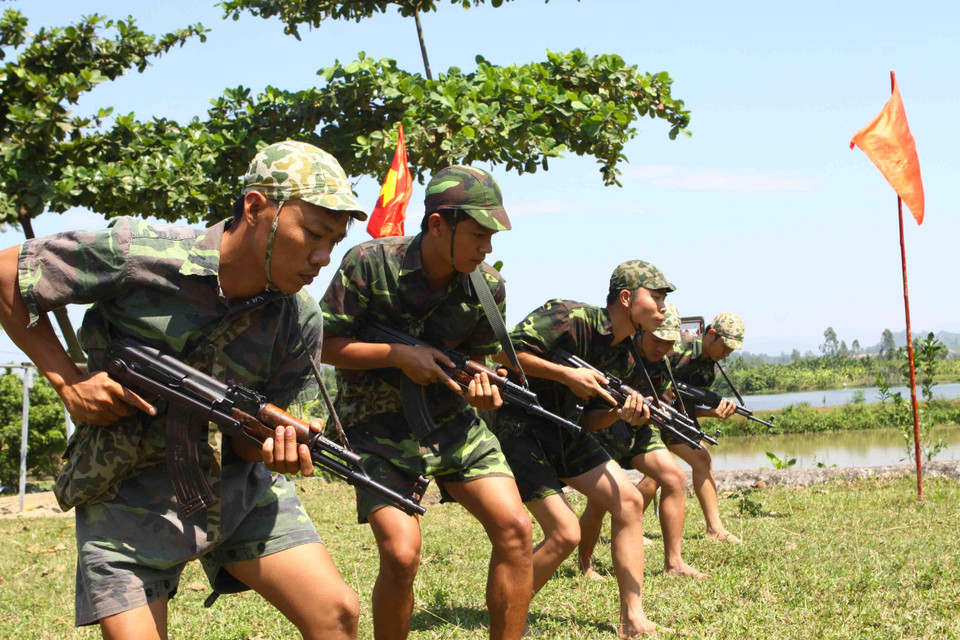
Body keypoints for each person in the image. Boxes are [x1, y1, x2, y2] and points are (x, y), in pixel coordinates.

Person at [0, 140, 365, 640]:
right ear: (256, 207)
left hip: (235, 487)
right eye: (314, 233)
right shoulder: (139, 253)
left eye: (336, 241)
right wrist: (69, 382)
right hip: (127, 486)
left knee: (338, 614)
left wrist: (274, 447)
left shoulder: (299, 317)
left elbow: (245, 443)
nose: (323, 257)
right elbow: (6, 275)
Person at [319, 166, 533, 640]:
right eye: (478, 234)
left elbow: (476, 361)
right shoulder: (369, 262)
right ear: (438, 224)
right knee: (401, 553)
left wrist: (485, 386)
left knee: (517, 530)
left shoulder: (487, 286)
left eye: (492, 236)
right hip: (376, 427)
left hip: (452, 422)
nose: (487, 248)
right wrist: (397, 356)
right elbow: (322, 344)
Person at [490, 260, 676, 638]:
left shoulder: (628, 354)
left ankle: (632, 618)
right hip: (521, 426)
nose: (663, 309)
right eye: (655, 298)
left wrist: (619, 414)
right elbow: (502, 354)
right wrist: (566, 374)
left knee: (629, 501)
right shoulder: (569, 316)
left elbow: (593, 419)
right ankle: (509, 612)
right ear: (626, 298)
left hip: (567, 431)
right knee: (565, 533)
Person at [577, 303, 708, 580]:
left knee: (673, 477)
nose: (661, 348)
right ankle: (585, 564)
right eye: (657, 339)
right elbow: (588, 413)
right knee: (601, 500)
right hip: (604, 429)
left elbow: (662, 398)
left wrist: (654, 412)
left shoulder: (662, 363)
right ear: (642, 331)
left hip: (639, 431)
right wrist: (617, 413)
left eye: (669, 343)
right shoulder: (614, 355)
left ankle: (674, 563)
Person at [664, 312, 745, 543]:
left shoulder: (709, 369)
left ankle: (715, 529)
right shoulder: (677, 346)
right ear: (711, 335)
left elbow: (686, 404)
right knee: (659, 474)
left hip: (678, 418)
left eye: (732, 349)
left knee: (702, 459)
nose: (727, 353)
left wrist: (713, 412)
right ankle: (632, 527)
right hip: (652, 413)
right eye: (726, 346)